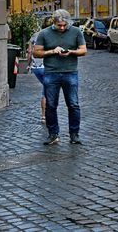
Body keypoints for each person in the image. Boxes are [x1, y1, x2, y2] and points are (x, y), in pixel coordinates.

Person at [32, 9, 87, 146]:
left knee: (73, 105)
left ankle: (74, 135)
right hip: (51, 73)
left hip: (70, 72)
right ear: (54, 22)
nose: (62, 28)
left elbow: (83, 50)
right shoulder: (44, 33)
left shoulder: (76, 32)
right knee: (51, 105)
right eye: (59, 25)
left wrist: (71, 52)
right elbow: (36, 52)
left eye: (64, 25)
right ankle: (53, 134)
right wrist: (52, 51)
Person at [27, 16, 54, 125]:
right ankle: (45, 115)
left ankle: (44, 115)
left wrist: (29, 65)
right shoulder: (51, 36)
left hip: (36, 67)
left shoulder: (34, 35)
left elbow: (29, 52)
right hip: (46, 66)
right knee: (47, 91)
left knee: (46, 88)